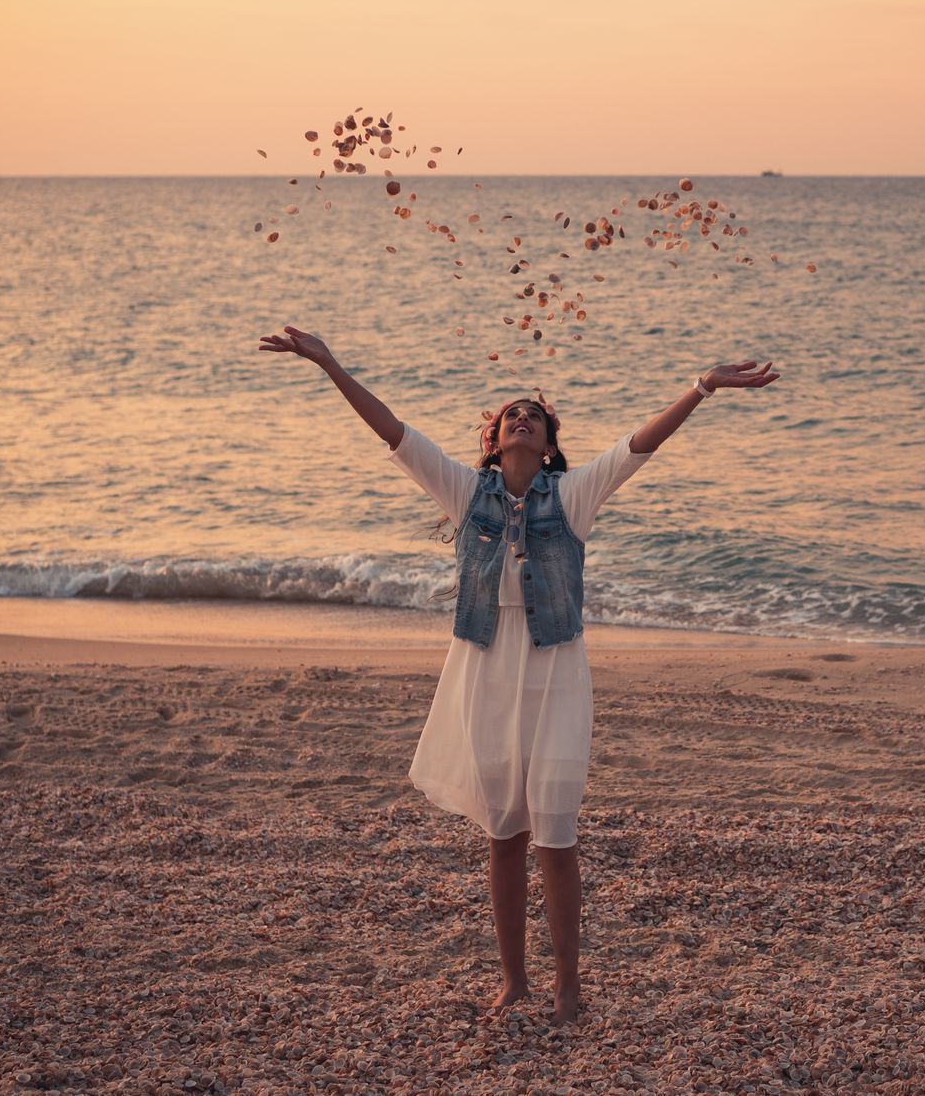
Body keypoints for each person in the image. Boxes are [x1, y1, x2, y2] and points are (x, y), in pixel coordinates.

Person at [258, 324, 779, 1025]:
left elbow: (639, 446)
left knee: (556, 835)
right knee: (504, 834)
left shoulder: (573, 497)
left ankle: (568, 985)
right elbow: (394, 433)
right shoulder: (463, 491)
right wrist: (330, 365)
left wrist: (701, 386)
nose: (522, 418)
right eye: (511, 415)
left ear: (547, 441)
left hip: (556, 670)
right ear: (496, 440)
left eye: (533, 414)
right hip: (485, 668)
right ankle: (514, 981)